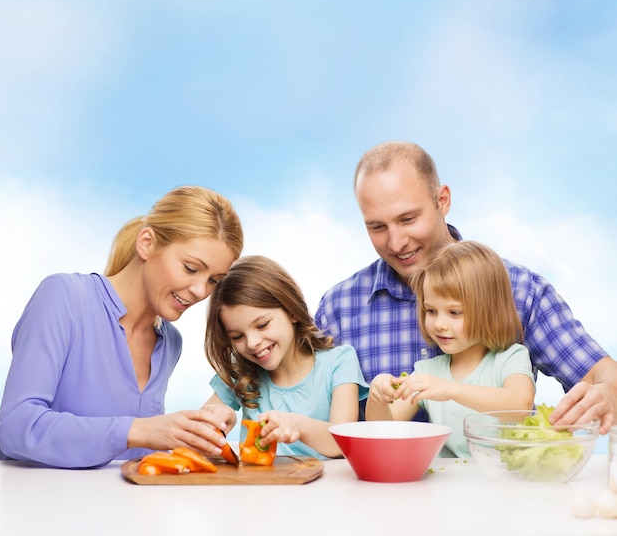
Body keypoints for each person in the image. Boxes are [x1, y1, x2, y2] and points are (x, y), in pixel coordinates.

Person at [315, 140, 617, 432]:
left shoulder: (521, 290)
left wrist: (607, 393)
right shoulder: (339, 308)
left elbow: (598, 374)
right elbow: (308, 411)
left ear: (442, 201)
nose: (396, 242)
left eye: (408, 219)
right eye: (377, 227)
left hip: (495, 477)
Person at [0, 185, 244, 468]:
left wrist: (196, 432)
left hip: (122, 511)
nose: (201, 290)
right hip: (37, 507)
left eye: (214, 280)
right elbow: (16, 426)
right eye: (190, 268)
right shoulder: (64, 297)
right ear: (147, 243)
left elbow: (128, 458)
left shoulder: (170, 343)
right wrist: (139, 430)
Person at [365, 240, 536, 457]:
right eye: (431, 311)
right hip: (448, 485)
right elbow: (383, 429)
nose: (439, 324)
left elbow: (520, 406)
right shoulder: (428, 373)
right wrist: (377, 397)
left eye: (454, 313)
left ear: (489, 311)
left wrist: (452, 389)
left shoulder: (510, 358)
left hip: (504, 480)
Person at [204, 255, 369, 459]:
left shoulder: (339, 362)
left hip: (324, 488)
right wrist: (217, 420)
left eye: (262, 325)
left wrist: (295, 424)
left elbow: (342, 442)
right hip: (258, 487)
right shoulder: (240, 370)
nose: (252, 342)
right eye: (237, 336)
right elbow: (203, 426)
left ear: (292, 311)